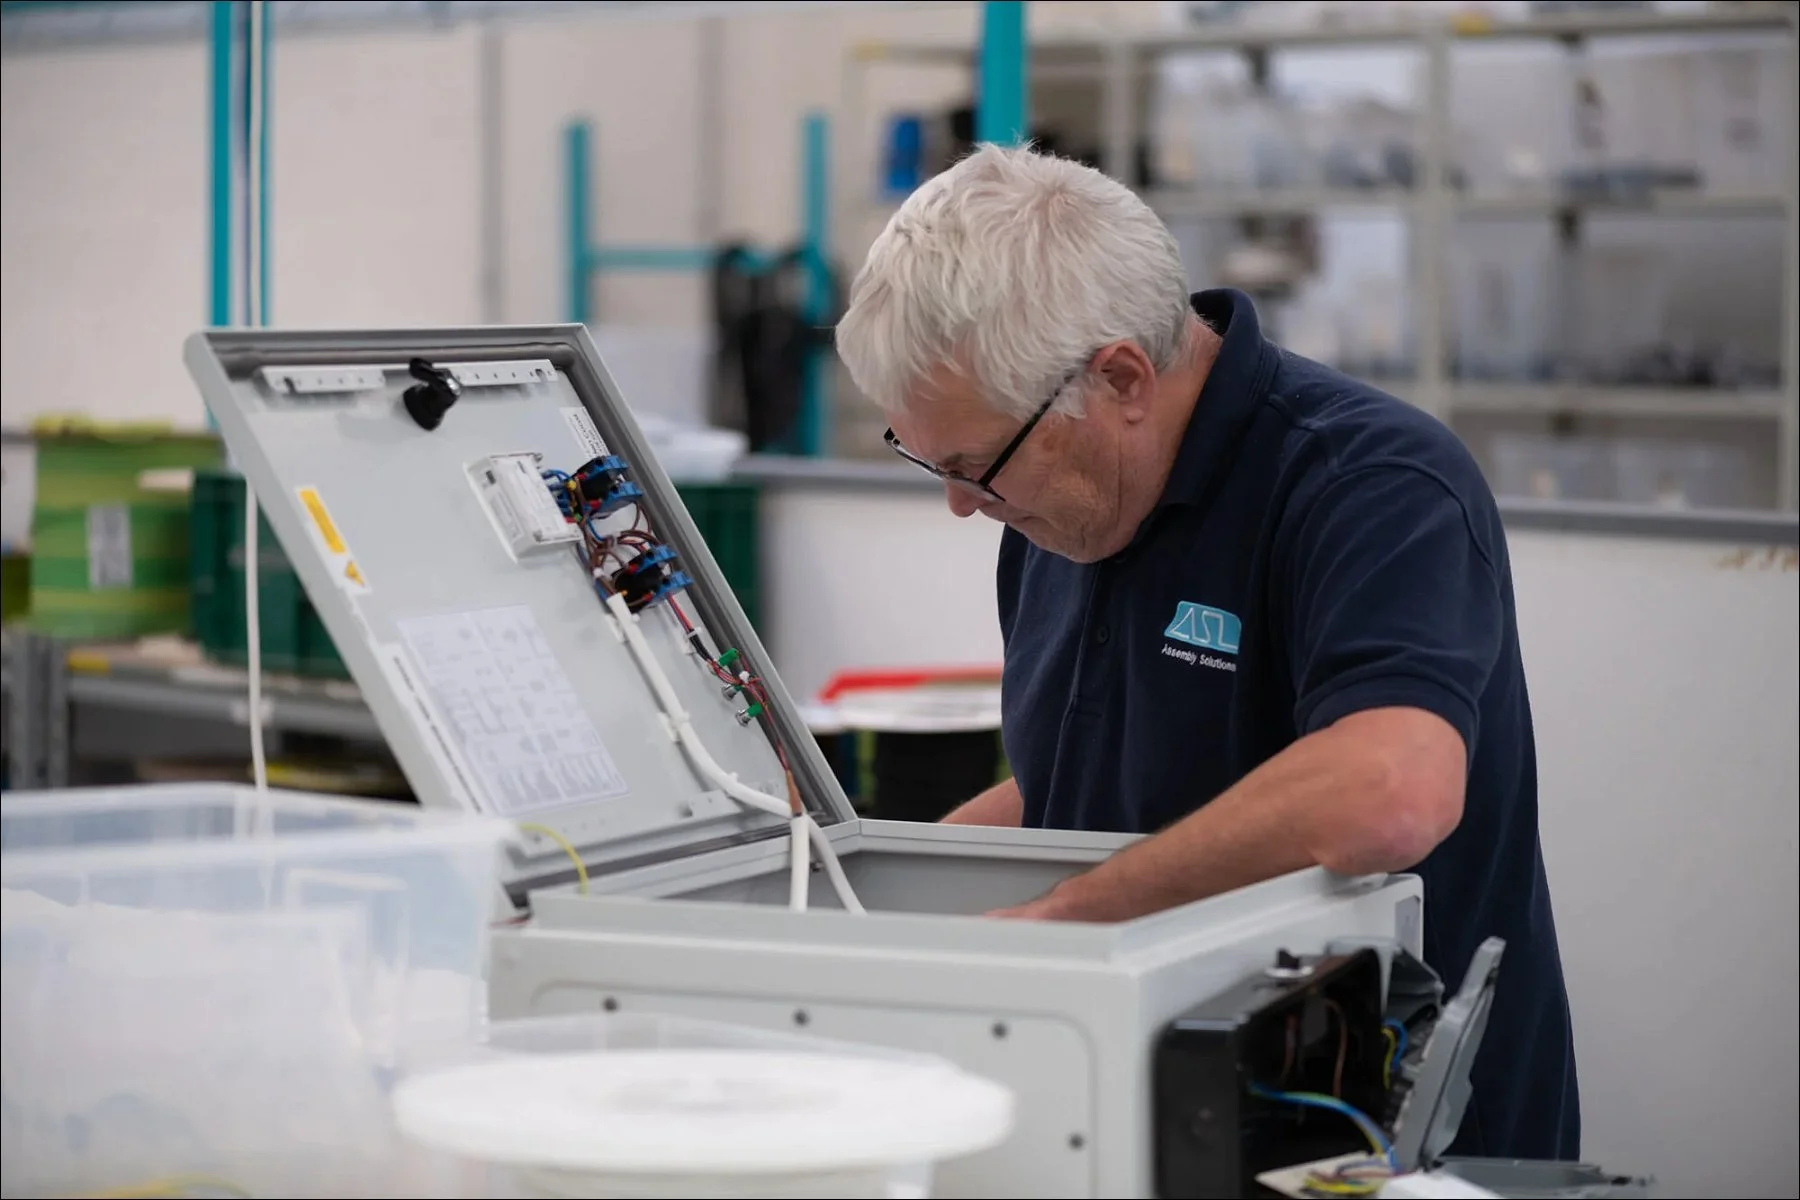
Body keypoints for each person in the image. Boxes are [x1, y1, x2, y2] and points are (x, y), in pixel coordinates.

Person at [831, 143, 1580, 1164]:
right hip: (1142, 1109)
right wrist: (863, 899)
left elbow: (1389, 791)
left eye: (975, 465)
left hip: (1383, 1138)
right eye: (928, 462)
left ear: (1121, 377)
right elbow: (1077, 783)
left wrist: (1062, 919)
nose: (963, 505)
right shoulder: (1063, 507)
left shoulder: (1370, 484)